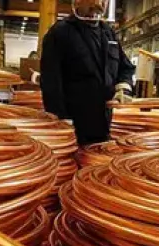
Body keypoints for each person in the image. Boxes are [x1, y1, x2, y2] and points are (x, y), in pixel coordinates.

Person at [39, 0, 136, 146]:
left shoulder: (108, 33)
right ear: (77, 2)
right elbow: (51, 82)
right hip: (73, 127)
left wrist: (124, 87)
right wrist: (61, 121)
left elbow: (125, 67)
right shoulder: (60, 33)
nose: (98, 4)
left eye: (103, 0)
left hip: (102, 125)